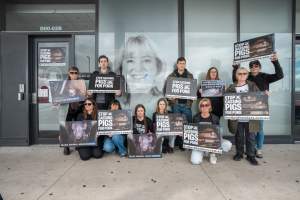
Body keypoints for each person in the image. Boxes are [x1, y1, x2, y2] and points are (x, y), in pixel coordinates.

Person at [233, 53, 283, 158]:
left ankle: (258, 149)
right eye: (251, 66)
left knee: (258, 129)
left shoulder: (265, 76)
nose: (254, 68)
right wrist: (235, 68)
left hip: (260, 108)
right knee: (250, 130)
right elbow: (236, 80)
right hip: (246, 108)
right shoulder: (247, 77)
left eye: (256, 66)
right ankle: (251, 149)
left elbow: (280, 75)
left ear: (259, 67)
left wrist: (275, 61)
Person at [115, 35, 165, 116]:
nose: (138, 68)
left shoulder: (162, 105)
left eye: (146, 60)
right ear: (121, 69)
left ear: (157, 68)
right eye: (130, 60)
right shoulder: (117, 104)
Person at [227, 67, 260, 165]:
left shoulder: (252, 85)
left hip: (251, 117)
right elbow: (227, 102)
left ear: (247, 75)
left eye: (244, 73)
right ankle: (239, 153)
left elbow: (260, 97)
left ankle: (251, 156)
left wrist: (265, 95)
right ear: (236, 75)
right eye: (240, 73)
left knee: (251, 137)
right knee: (239, 137)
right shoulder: (231, 87)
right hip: (237, 118)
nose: (242, 75)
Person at [165, 57, 194, 150]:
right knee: (177, 125)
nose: (182, 65)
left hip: (186, 105)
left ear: (185, 64)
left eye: (183, 63)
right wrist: (170, 99)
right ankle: (180, 143)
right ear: (177, 64)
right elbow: (166, 91)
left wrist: (191, 101)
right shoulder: (171, 76)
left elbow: (193, 91)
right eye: (180, 63)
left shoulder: (190, 76)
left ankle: (188, 143)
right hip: (176, 105)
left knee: (188, 124)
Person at [191, 98, 232, 165]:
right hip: (200, 143)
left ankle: (212, 153)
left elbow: (218, 133)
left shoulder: (215, 118)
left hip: (212, 142)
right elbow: (193, 132)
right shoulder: (196, 118)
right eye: (202, 105)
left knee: (227, 144)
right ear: (200, 107)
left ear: (210, 106)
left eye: (206, 105)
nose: (204, 107)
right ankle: (203, 152)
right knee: (195, 161)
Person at [61, 66, 84, 155]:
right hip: (68, 108)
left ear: (78, 74)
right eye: (72, 73)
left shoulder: (81, 82)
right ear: (68, 73)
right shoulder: (64, 83)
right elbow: (59, 95)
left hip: (79, 107)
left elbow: (84, 95)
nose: (74, 75)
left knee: (79, 127)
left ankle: (78, 145)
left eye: (75, 73)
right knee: (67, 127)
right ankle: (66, 146)